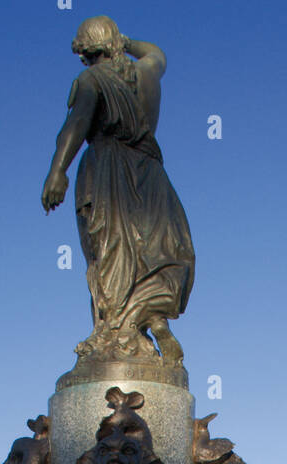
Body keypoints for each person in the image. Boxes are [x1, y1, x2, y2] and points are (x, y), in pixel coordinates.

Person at [42, 16, 195, 367]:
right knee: (154, 250)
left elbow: (75, 127)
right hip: (150, 172)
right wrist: (124, 41)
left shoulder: (91, 80)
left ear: (86, 51)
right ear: (114, 44)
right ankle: (152, 317)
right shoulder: (148, 74)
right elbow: (157, 54)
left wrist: (57, 172)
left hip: (108, 170)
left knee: (110, 252)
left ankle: (115, 332)